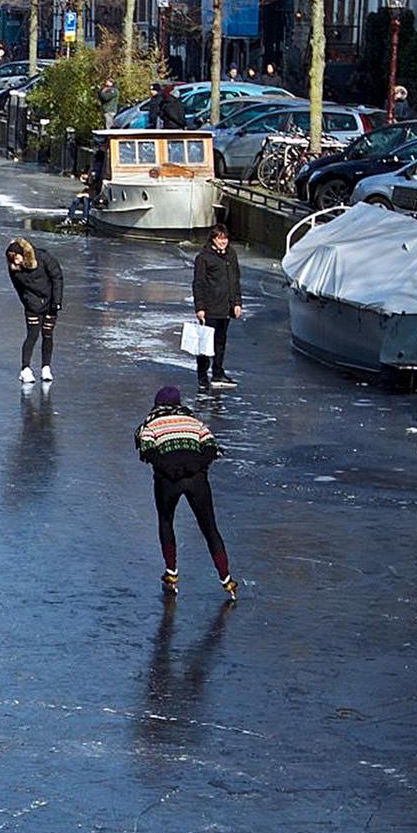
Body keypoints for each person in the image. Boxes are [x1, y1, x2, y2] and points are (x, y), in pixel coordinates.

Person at [136, 385, 237, 598]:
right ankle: (226, 579)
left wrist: (169, 468)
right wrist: (196, 466)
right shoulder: (195, 423)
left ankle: (171, 573)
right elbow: (211, 447)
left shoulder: (150, 424)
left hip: (167, 480)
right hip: (197, 479)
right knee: (210, 528)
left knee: (166, 521)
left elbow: (148, 451)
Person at [6, 237, 64, 383]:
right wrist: (26, 302)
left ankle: (46, 367)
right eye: (12, 259)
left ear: (23, 253)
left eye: (16, 258)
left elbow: (57, 277)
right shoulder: (14, 269)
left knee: (48, 335)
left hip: (50, 303)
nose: (15, 262)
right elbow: (18, 288)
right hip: (32, 306)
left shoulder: (42, 258)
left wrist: (56, 302)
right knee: (32, 335)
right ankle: (25, 369)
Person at [192, 227, 242, 388]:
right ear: (213, 239)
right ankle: (202, 375)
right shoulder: (203, 258)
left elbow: (235, 281)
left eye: (225, 239)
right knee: (205, 343)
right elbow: (198, 284)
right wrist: (200, 307)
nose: (223, 242)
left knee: (220, 341)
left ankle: (218, 373)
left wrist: (236, 303)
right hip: (209, 307)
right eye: (220, 239)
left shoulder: (231, 255)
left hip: (225, 307)